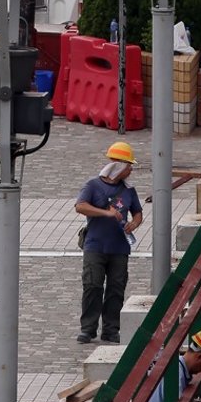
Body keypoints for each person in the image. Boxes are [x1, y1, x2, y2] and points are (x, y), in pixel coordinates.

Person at [75, 140, 143, 344]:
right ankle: (88, 328)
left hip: (119, 248)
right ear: (119, 166)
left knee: (116, 288)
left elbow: (138, 213)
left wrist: (134, 224)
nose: (130, 170)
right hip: (95, 246)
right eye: (128, 166)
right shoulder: (93, 186)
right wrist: (106, 213)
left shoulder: (128, 190)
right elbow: (80, 206)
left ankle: (111, 329)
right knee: (92, 285)